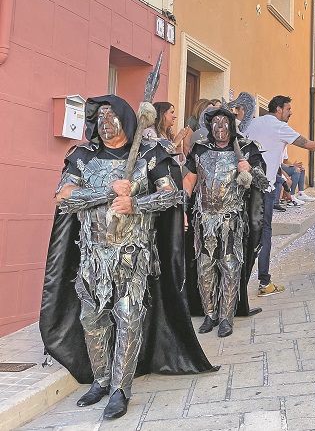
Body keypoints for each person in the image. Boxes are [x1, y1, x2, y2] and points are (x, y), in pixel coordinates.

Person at [43, 95, 215, 420]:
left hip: (133, 255)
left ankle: (120, 389)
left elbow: (171, 196)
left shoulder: (149, 157)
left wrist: (136, 203)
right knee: (90, 320)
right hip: (92, 257)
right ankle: (101, 378)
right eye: (100, 118)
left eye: (111, 116)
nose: (105, 123)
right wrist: (107, 192)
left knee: (128, 317)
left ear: (126, 118)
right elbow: (63, 197)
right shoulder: (83, 157)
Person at [246, 95, 315, 296]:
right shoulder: (278, 126)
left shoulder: (254, 123)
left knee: (248, 235)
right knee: (264, 235)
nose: (291, 113)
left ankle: (242, 282)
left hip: (248, 188)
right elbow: (311, 145)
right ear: (278, 109)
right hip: (266, 190)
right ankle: (264, 282)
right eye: (288, 109)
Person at [183, 107, 270, 337]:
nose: (220, 127)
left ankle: (226, 317)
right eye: (215, 123)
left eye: (225, 123)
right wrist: (182, 208)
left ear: (232, 126)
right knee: (204, 268)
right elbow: (189, 181)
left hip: (232, 220)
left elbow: (263, 183)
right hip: (204, 219)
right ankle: (209, 314)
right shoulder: (201, 149)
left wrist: (248, 169)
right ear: (209, 126)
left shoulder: (247, 149)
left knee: (230, 266)